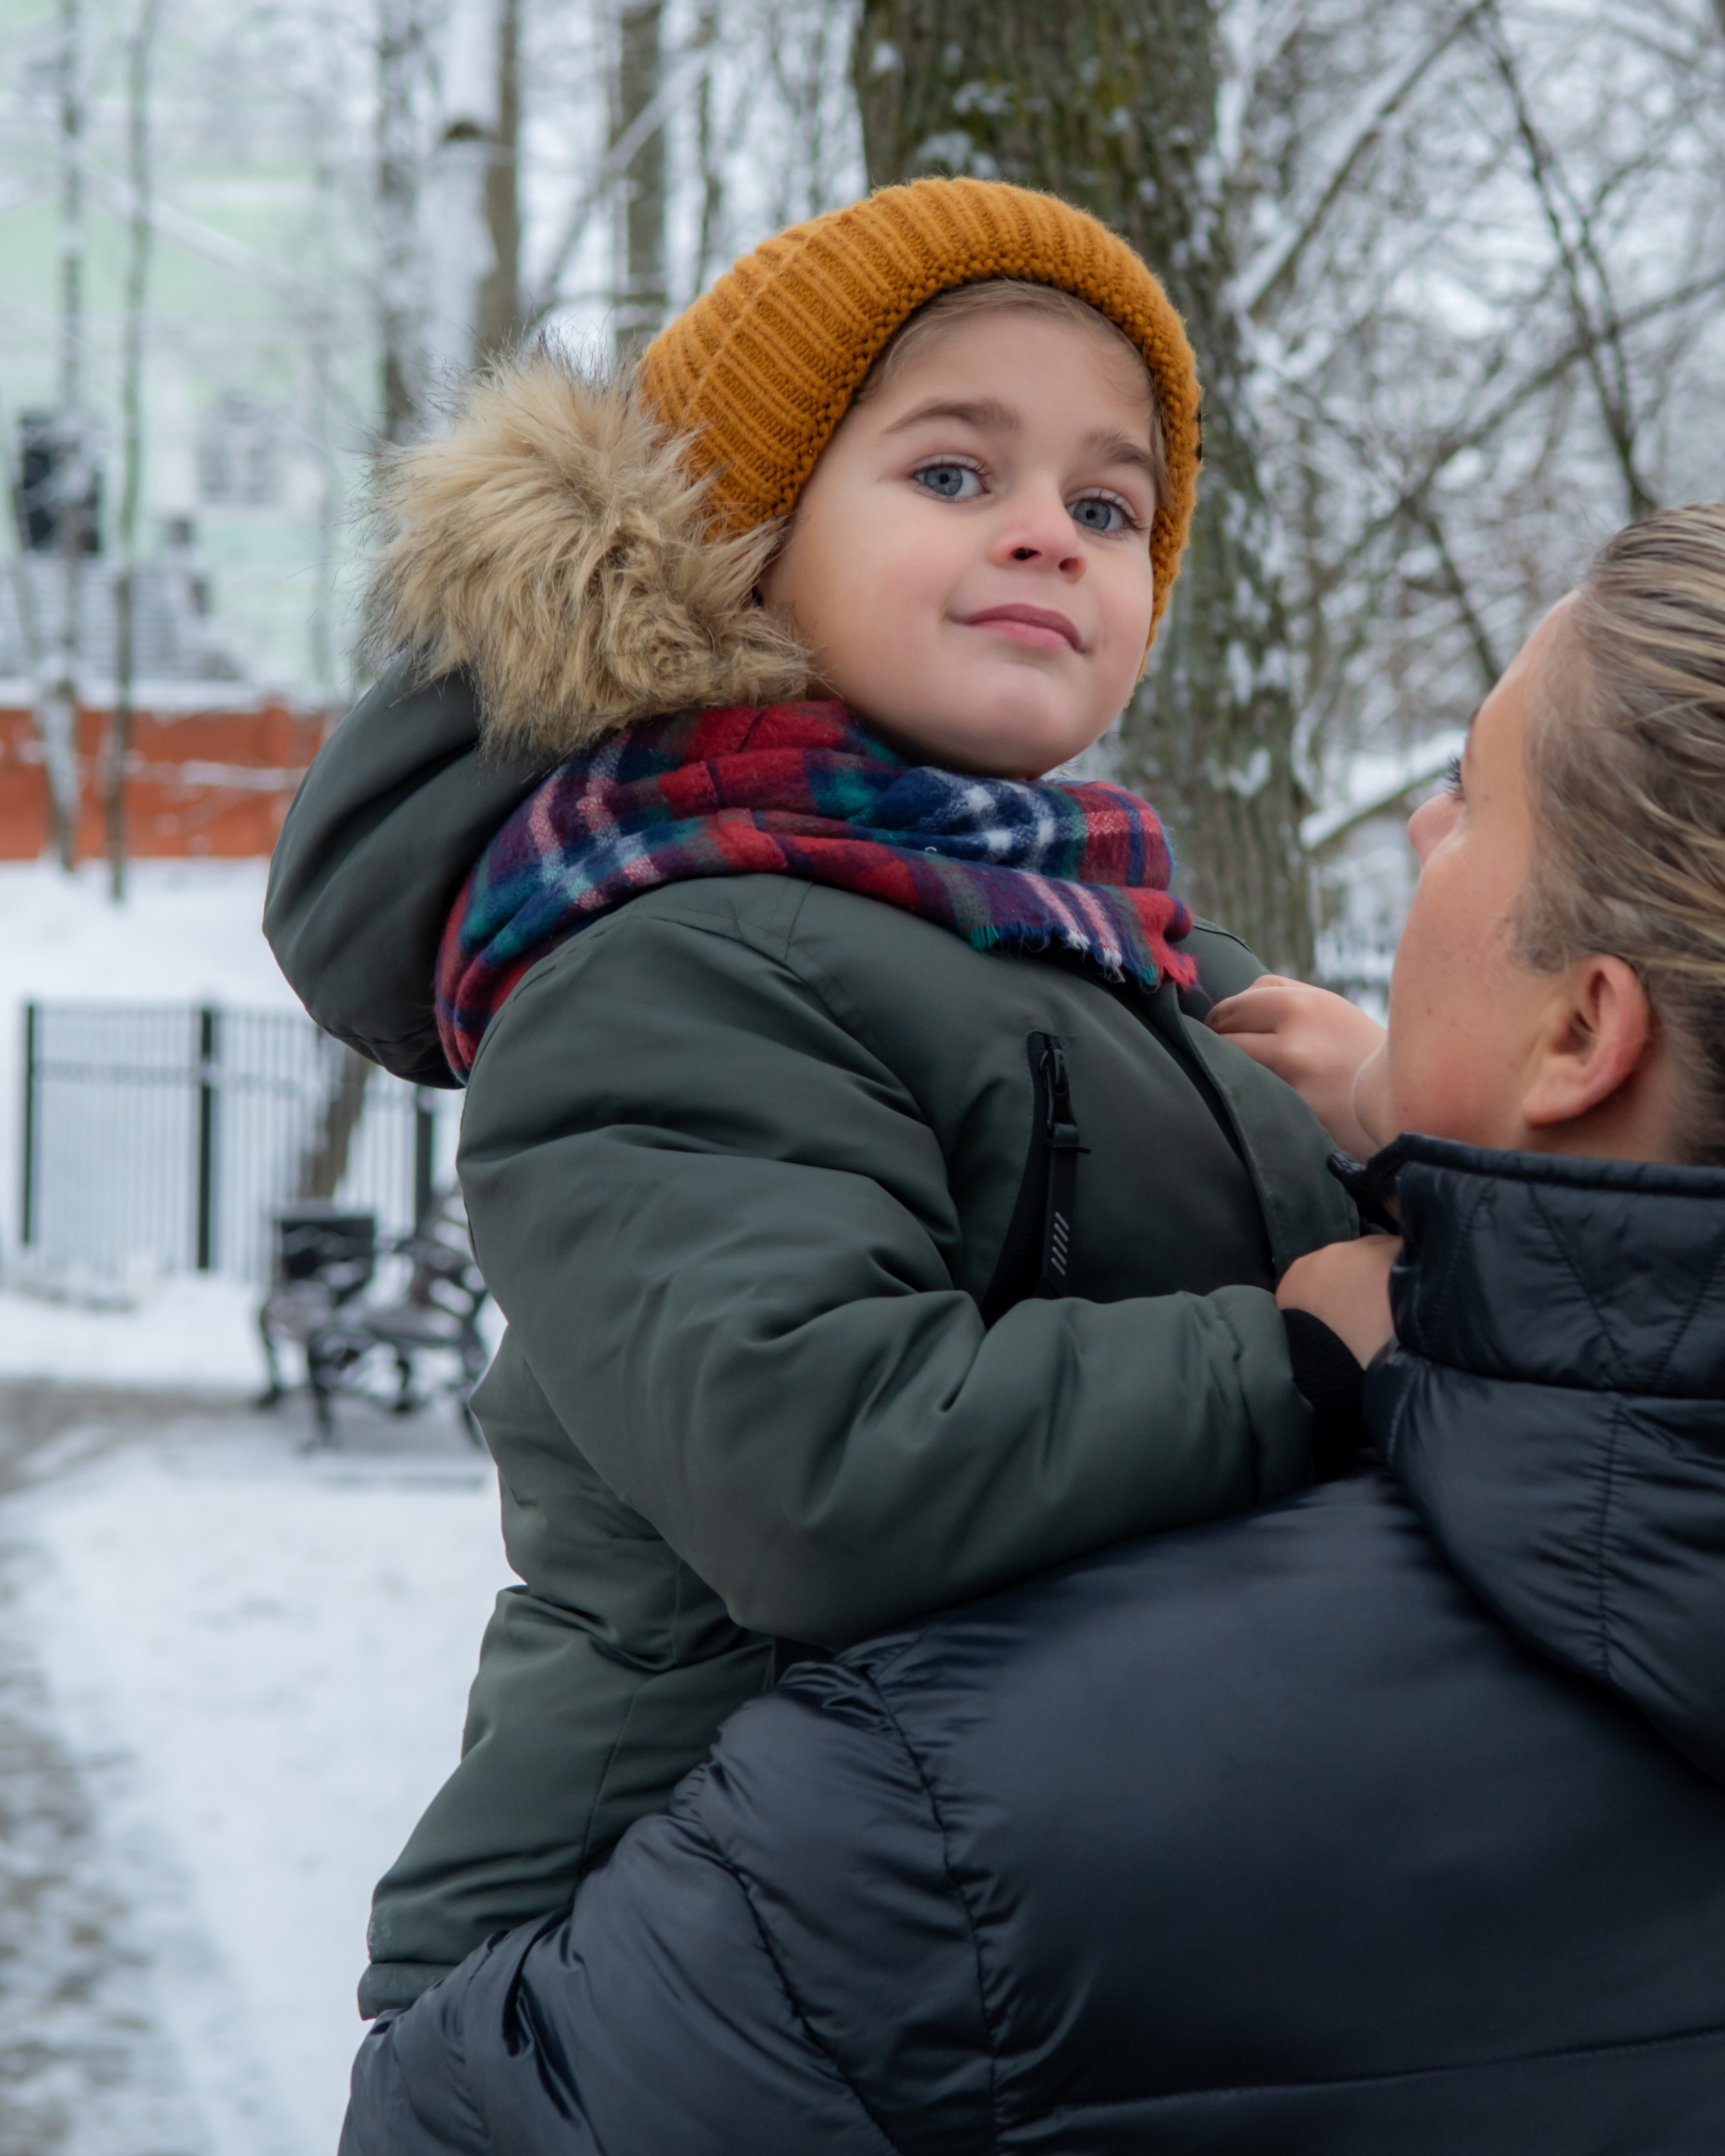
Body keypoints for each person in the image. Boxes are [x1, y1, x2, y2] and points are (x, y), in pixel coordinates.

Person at [339, 505, 1725, 2153]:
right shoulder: (1062, 968)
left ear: (1579, 1031)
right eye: (941, 472)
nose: (1423, 828)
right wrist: (1424, 1150)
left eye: (1470, 793)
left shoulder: (946, 1848)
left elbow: (466, 2110)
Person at [264, 177, 1358, 2018]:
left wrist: (1399, 1121)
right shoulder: (663, 956)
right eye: (955, 474)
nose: (1052, 538)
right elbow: (817, 1468)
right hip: (667, 1968)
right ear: (736, 530)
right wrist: (1301, 1357)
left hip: (949, 1917)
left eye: (1111, 505)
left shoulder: (1090, 939)